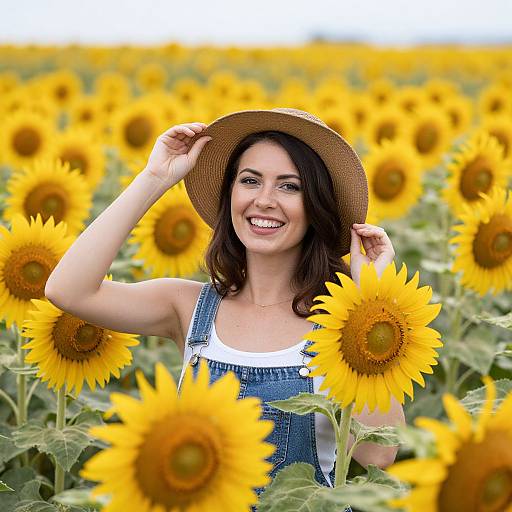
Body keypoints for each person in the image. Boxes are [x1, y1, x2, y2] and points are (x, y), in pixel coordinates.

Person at [45, 108, 406, 510]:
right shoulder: (187, 306)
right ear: (230, 194)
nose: (264, 200)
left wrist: (366, 299)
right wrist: (155, 179)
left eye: (289, 187)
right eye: (250, 181)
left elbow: (378, 454)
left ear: (315, 205)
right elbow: (68, 290)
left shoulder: (338, 326)